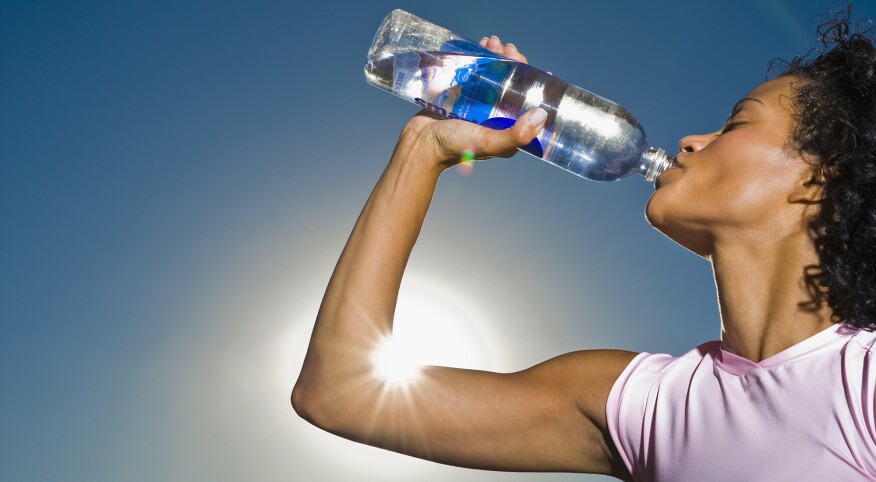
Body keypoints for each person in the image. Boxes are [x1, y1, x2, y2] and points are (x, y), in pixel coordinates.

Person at [292, 9, 876, 481]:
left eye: (736, 124)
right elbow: (338, 390)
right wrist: (426, 149)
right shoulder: (639, 404)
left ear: (818, 179)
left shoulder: (861, 380)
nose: (691, 141)